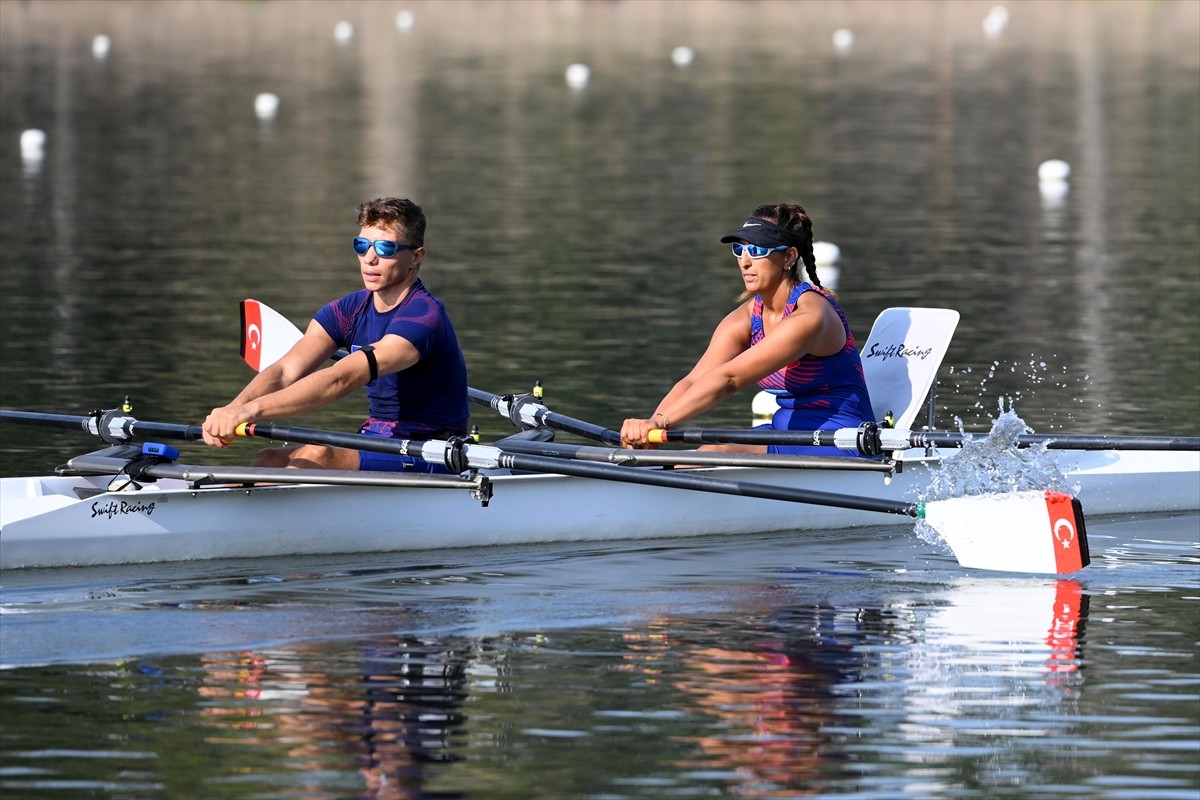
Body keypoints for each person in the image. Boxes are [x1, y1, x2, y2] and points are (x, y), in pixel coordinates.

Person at [201, 197, 469, 472]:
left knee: (316, 456)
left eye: (385, 248)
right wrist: (231, 411)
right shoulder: (348, 311)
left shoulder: (423, 315)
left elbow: (341, 378)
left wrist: (250, 411)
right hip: (377, 438)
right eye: (362, 246)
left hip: (434, 450)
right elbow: (284, 371)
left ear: (415, 256)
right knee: (268, 459)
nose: (370, 258)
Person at [620, 203, 872, 456]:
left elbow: (730, 380)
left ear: (789, 257)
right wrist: (650, 432)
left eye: (758, 249)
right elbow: (694, 380)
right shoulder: (746, 318)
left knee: (713, 453)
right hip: (786, 432)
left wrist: (659, 424)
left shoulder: (811, 316)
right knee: (703, 453)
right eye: (739, 249)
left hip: (840, 440)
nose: (745, 261)